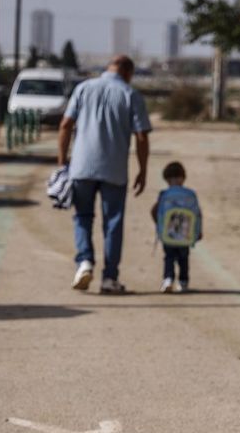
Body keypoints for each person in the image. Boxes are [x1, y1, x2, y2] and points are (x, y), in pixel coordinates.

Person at [57, 55, 151, 294]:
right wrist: (143, 170)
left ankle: (85, 262)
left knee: (82, 217)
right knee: (113, 223)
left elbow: (65, 125)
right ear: (128, 73)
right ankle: (110, 278)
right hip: (115, 170)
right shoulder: (131, 95)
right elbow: (141, 136)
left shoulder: (83, 88)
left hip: (82, 168)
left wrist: (62, 163)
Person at [150, 162, 202, 293]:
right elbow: (197, 214)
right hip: (185, 234)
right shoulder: (190, 195)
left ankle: (168, 279)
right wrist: (198, 231)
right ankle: (183, 281)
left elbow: (154, 211)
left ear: (166, 180)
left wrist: (159, 226)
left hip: (169, 234)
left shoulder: (164, 194)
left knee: (169, 257)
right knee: (183, 258)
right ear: (183, 177)